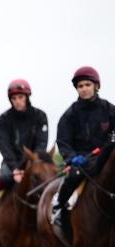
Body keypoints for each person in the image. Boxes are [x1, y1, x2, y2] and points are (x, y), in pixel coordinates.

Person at [52, 66, 115, 227]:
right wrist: (72, 158)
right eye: (80, 86)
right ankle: (59, 208)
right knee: (73, 176)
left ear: (96, 86)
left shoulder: (109, 110)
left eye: (87, 84)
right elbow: (63, 141)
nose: (84, 89)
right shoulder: (70, 114)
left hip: (105, 156)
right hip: (81, 160)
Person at [0, 80, 49, 208]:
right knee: (7, 177)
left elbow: (42, 143)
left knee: (48, 177)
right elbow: (4, 146)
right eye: (14, 98)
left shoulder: (40, 116)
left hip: (33, 160)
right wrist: (15, 169)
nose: (17, 101)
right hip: (12, 162)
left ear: (27, 97)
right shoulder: (3, 119)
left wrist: (33, 160)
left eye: (20, 97)